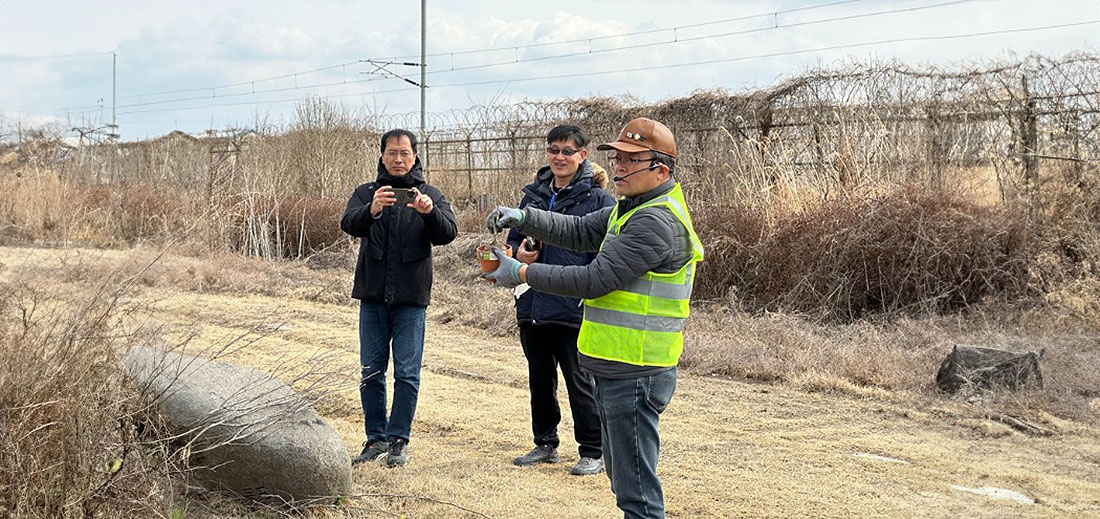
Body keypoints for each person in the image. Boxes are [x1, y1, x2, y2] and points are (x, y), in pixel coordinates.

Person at [484, 117, 703, 519]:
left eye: (631, 160)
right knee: (625, 483)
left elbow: (594, 278)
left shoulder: (655, 222)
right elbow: (581, 230)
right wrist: (524, 217)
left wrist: (521, 273)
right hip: (619, 367)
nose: (619, 167)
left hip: (636, 370)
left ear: (662, 170)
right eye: (617, 158)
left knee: (637, 493)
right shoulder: (630, 209)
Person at [341, 129, 458, 468]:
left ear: (415, 156)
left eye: (404, 153)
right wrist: (372, 210)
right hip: (373, 297)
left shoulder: (430, 193)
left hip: (411, 298)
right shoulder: (366, 192)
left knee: (407, 373)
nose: (397, 159)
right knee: (370, 372)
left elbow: (448, 233)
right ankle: (375, 438)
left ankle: (398, 442)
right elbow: (348, 223)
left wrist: (430, 212)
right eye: (391, 153)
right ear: (382, 156)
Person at [505, 125, 616, 476]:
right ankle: (545, 443)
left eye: (568, 151)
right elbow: (511, 243)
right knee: (540, 378)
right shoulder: (532, 197)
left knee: (580, 382)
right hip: (533, 301)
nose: (559, 157)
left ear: (583, 155)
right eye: (554, 150)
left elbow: (607, 257)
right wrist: (518, 252)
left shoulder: (600, 201)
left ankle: (593, 449)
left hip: (573, 305)